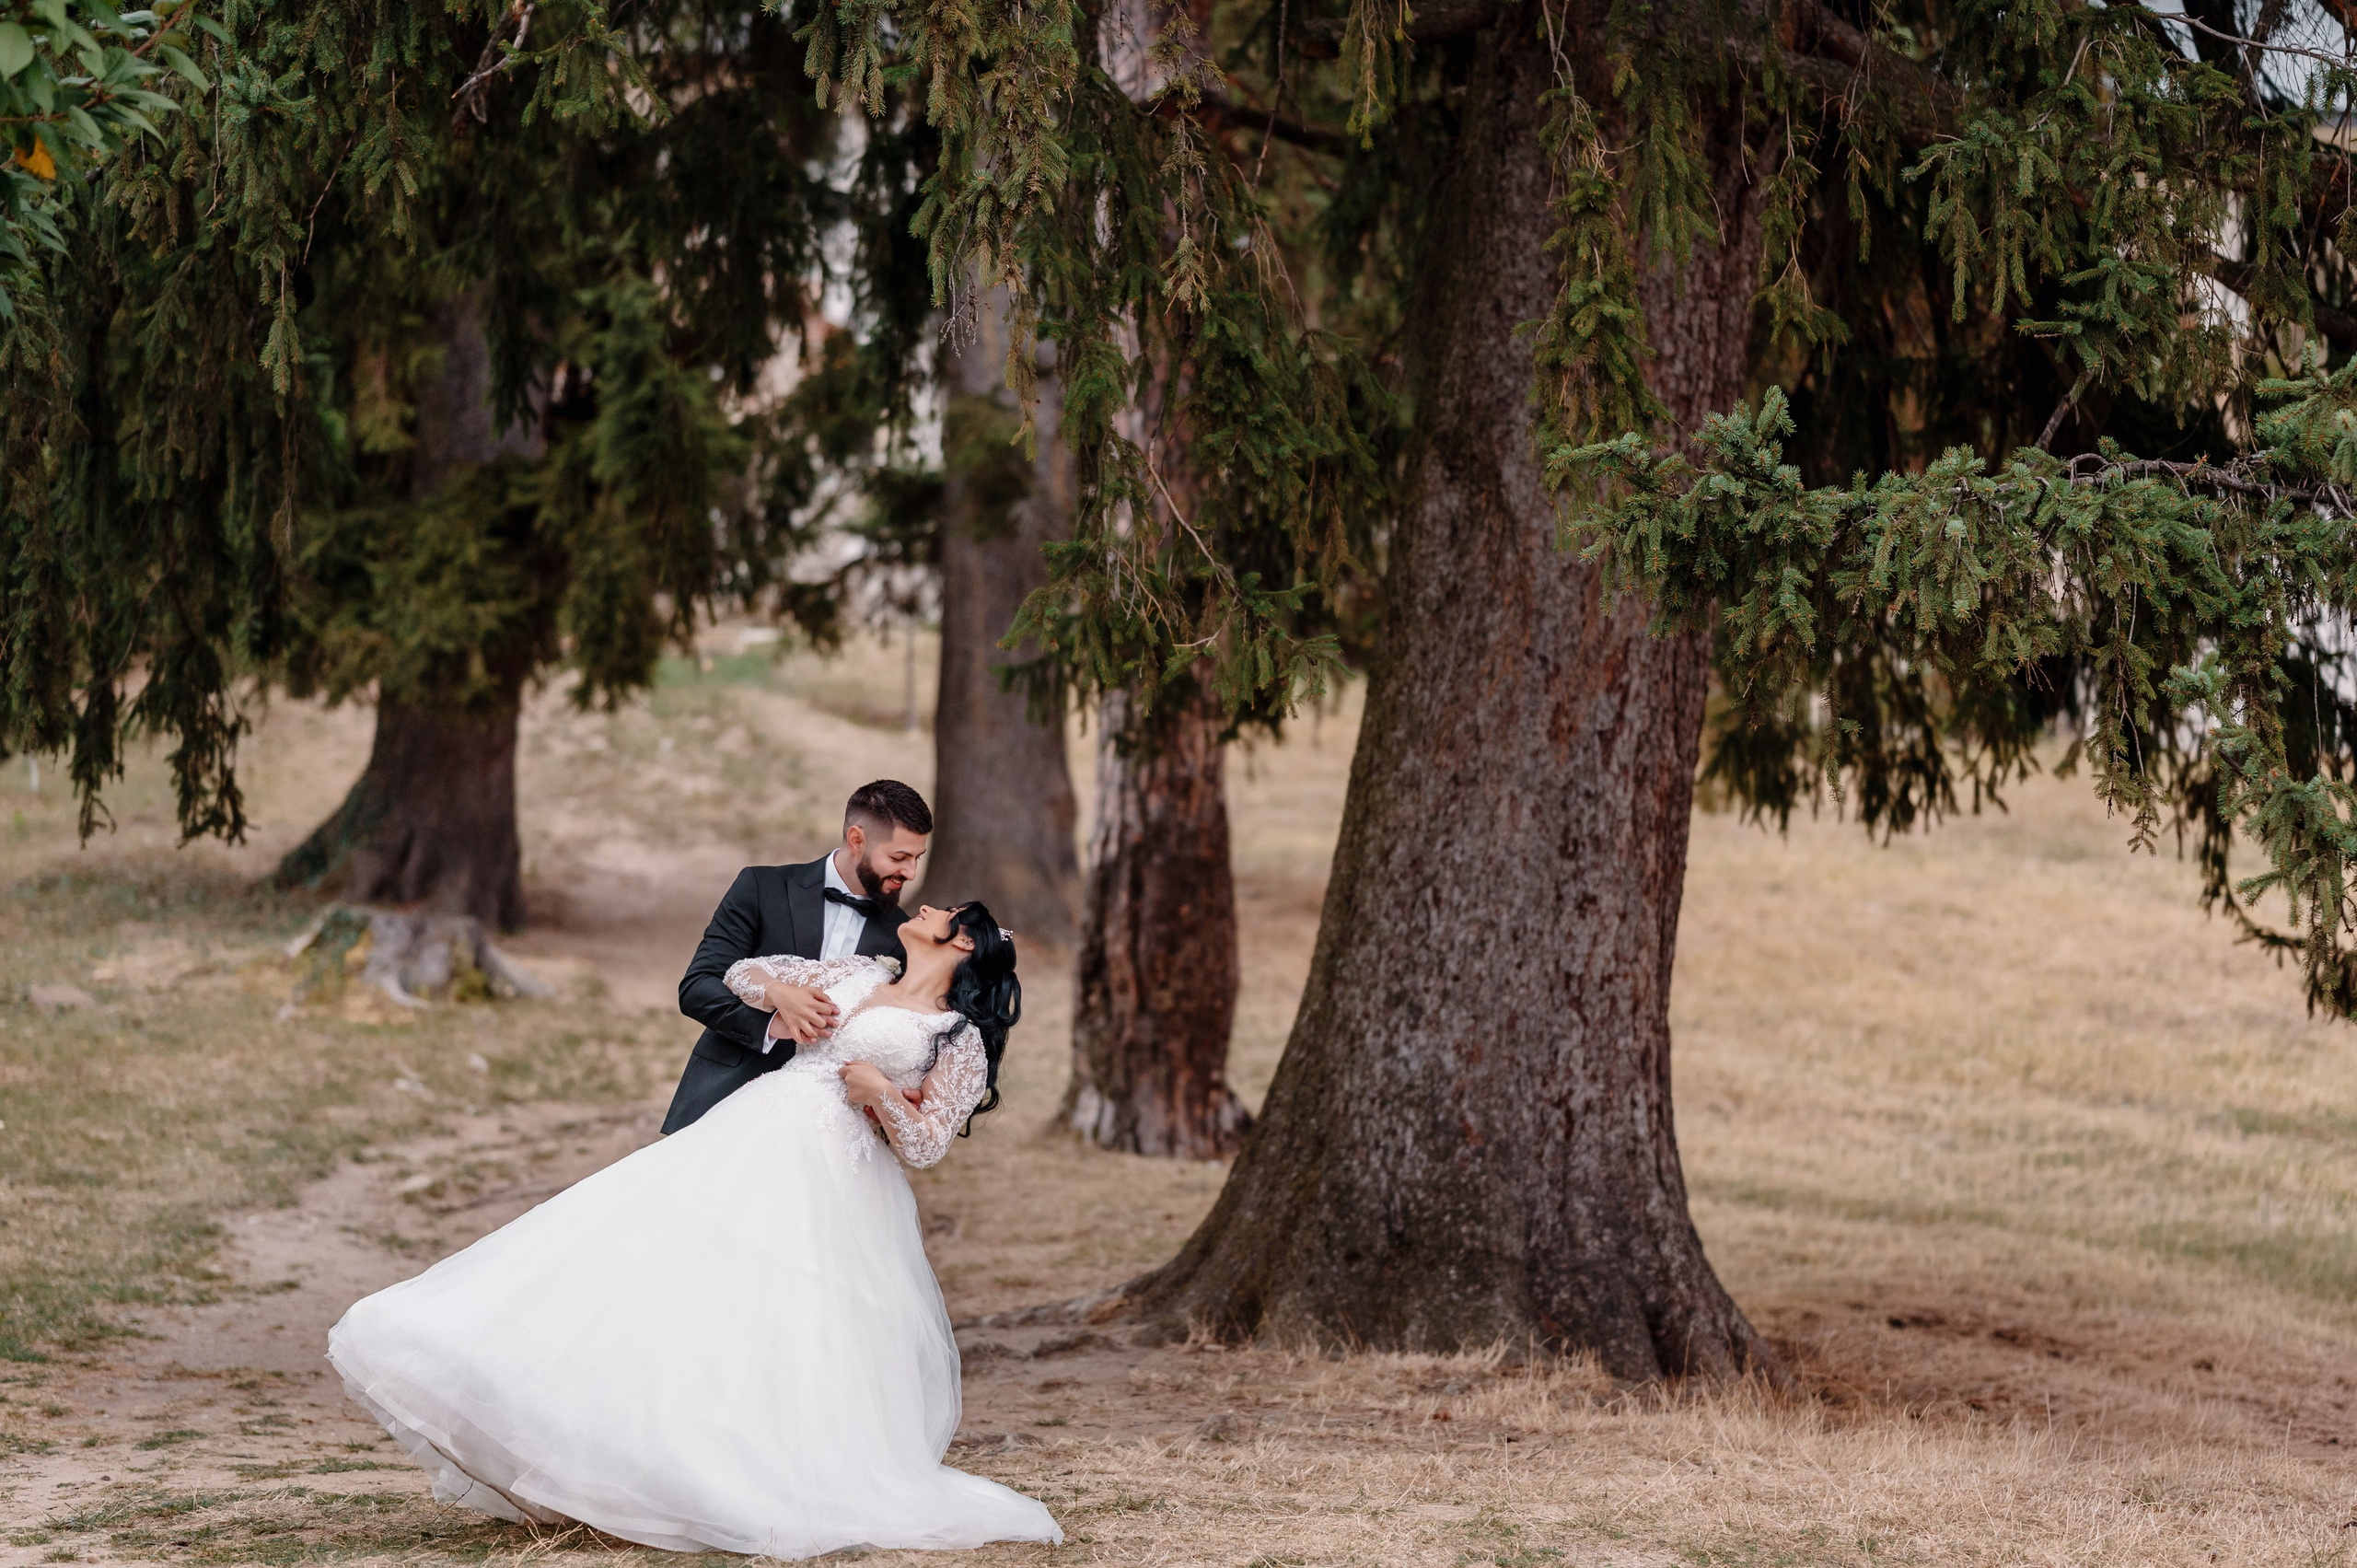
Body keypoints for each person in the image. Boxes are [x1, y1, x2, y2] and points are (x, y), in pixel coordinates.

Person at [326, 900, 1061, 1557]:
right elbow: (743, 970)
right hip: (752, 1133)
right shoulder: (859, 969)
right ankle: (616, 1442)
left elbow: (929, 1143)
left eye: (943, 910)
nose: (924, 902)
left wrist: (881, 1095)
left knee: (778, 1316)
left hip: (835, 1176)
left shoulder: (953, 1034)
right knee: (660, 1269)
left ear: (961, 944)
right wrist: (782, 996)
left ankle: (745, 1465)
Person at [663, 779, 933, 1134]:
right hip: (724, 1099)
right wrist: (774, 1019)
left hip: (827, 1126)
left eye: (917, 858)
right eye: (899, 858)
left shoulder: (905, 934)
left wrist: (900, 1089)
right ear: (857, 840)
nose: (910, 873)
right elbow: (697, 988)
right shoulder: (761, 888)